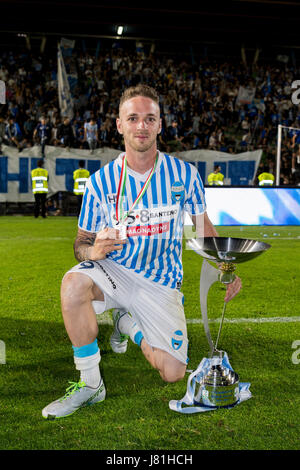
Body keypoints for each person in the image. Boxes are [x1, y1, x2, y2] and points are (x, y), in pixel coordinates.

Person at [42, 85, 242, 420]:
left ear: (160, 125)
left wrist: (227, 267)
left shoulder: (184, 174)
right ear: (119, 125)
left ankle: (126, 322)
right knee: (73, 285)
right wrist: (95, 249)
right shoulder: (100, 182)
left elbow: (203, 227)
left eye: (149, 119)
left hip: (160, 283)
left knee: (173, 372)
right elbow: (80, 245)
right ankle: (91, 384)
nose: (141, 126)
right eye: (133, 118)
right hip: (114, 272)